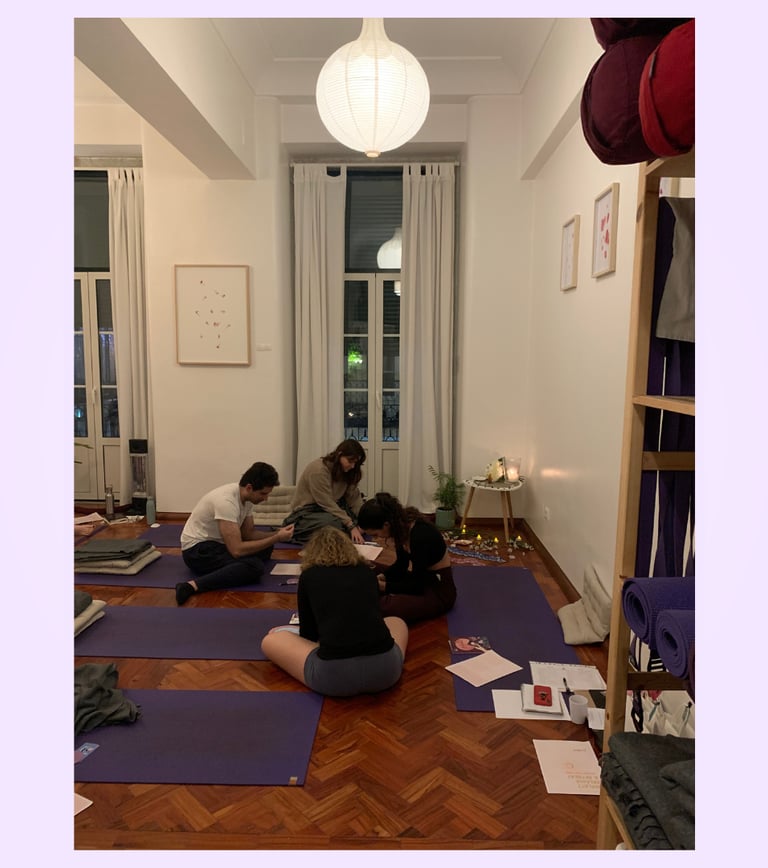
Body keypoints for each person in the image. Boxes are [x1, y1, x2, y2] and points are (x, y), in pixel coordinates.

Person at [261, 526, 408, 697]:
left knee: (271, 640)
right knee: (397, 621)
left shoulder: (309, 576)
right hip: (386, 673)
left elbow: (308, 633)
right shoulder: (366, 572)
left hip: (333, 678)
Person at [175, 461, 295, 605]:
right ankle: (192, 586)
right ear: (249, 487)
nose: (265, 498)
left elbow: (249, 534)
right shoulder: (226, 502)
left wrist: (278, 533)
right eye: (263, 494)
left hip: (217, 544)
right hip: (197, 551)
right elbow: (237, 550)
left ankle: (231, 569)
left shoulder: (247, 498)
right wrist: (276, 538)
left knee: (266, 548)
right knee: (254, 567)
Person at [357, 492, 457, 624]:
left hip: (437, 590)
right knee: (369, 567)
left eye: (375, 534)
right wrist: (383, 576)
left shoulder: (420, 535)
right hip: (419, 578)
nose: (376, 539)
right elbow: (401, 565)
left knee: (385, 607)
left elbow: (417, 586)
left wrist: (384, 586)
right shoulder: (400, 528)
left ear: (386, 525)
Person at [281, 439, 367, 545]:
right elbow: (326, 503)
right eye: (350, 461)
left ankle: (343, 533)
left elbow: (354, 498)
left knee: (354, 521)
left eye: (356, 463)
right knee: (333, 524)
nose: (353, 466)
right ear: (339, 455)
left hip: (332, 510)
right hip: (308, 512)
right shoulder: (318, 470)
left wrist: (362, 521)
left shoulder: (350, 471)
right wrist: (351, 525)